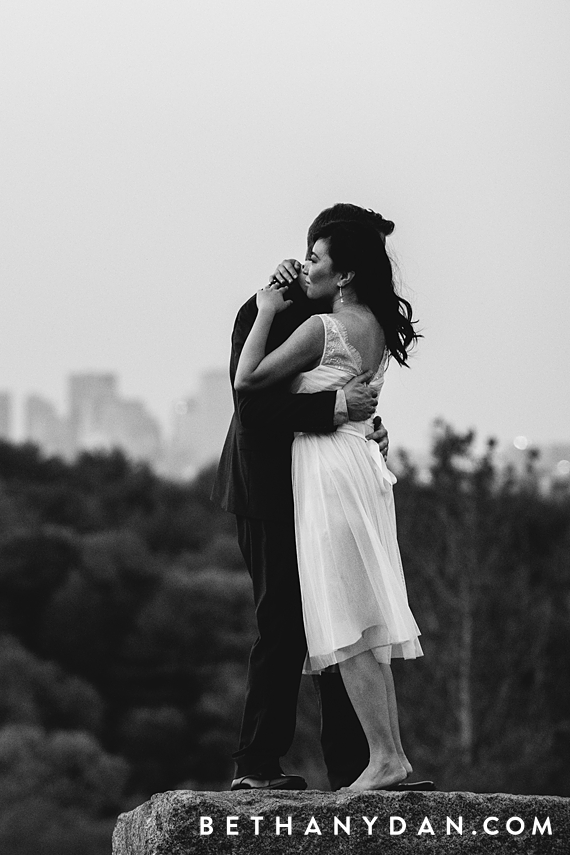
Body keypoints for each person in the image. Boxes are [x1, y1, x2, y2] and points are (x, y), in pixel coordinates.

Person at [233, 214, 424, 792]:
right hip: (272, 488)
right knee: (287, 626)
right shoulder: (264, 310)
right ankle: (258, 767)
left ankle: (362, 765)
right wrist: (340, 413)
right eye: (307, 253)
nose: (306, 264)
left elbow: (331, 390)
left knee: (342, 615)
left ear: (343, 272)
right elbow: (255, 411)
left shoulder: (326, 320)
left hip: (330, 475)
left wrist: (362, 421)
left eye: (317, 255)